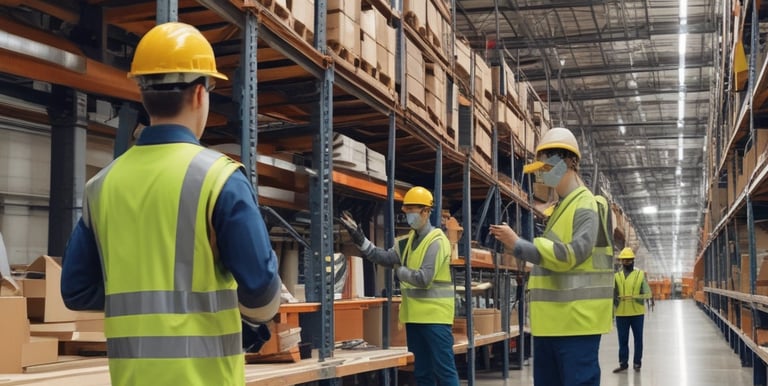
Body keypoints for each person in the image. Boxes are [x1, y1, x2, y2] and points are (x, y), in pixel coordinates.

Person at [60, 22, 282, 386]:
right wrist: (244, 316)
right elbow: (262, 294)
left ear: (143, 94)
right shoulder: (220, 179)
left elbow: (77, 291)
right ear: (200, 94)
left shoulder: (101, 186)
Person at [488, 127, 614, 386]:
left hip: (576, 325)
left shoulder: (585, 205)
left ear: (567, 162)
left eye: (546, 167)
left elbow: (572, 254)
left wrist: (519, 245)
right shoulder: (561, 208)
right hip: (552, 324)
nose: (543, 175)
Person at [339, 186, 459, 386]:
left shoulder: (437, 241)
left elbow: (424, 278)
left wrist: (400, 271)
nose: (408, 214)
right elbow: (383, 257)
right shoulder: (407, 242)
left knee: (444, 371)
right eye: (407, 209)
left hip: (436, 319)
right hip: (414, 318)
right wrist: (361, 240)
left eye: (413, 209)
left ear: (426, 211)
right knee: (422, 372)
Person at [612, 247, 652, 373]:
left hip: (637, 313)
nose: (626, 262)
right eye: (624, 260)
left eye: (629, 260)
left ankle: (637, 363)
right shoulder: (616, 276)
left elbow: (648, 293)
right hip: (621, 313)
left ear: (633, 260)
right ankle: (623, 363)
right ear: (621, 261)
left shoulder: (640, 275)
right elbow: (612, 293)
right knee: (622, 340)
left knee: (638, 339)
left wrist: (635, 297)